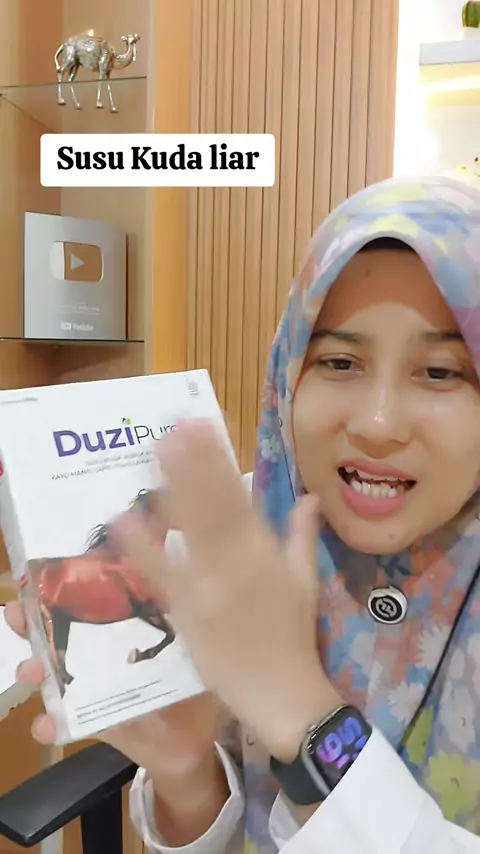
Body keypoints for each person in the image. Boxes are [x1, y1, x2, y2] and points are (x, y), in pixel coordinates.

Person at [6, 172, 480, 853]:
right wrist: (187, 776)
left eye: (440, 372)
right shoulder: (243, 540)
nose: (377, 424)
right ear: (289, 373)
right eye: (339, 361)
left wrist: (303, 714)